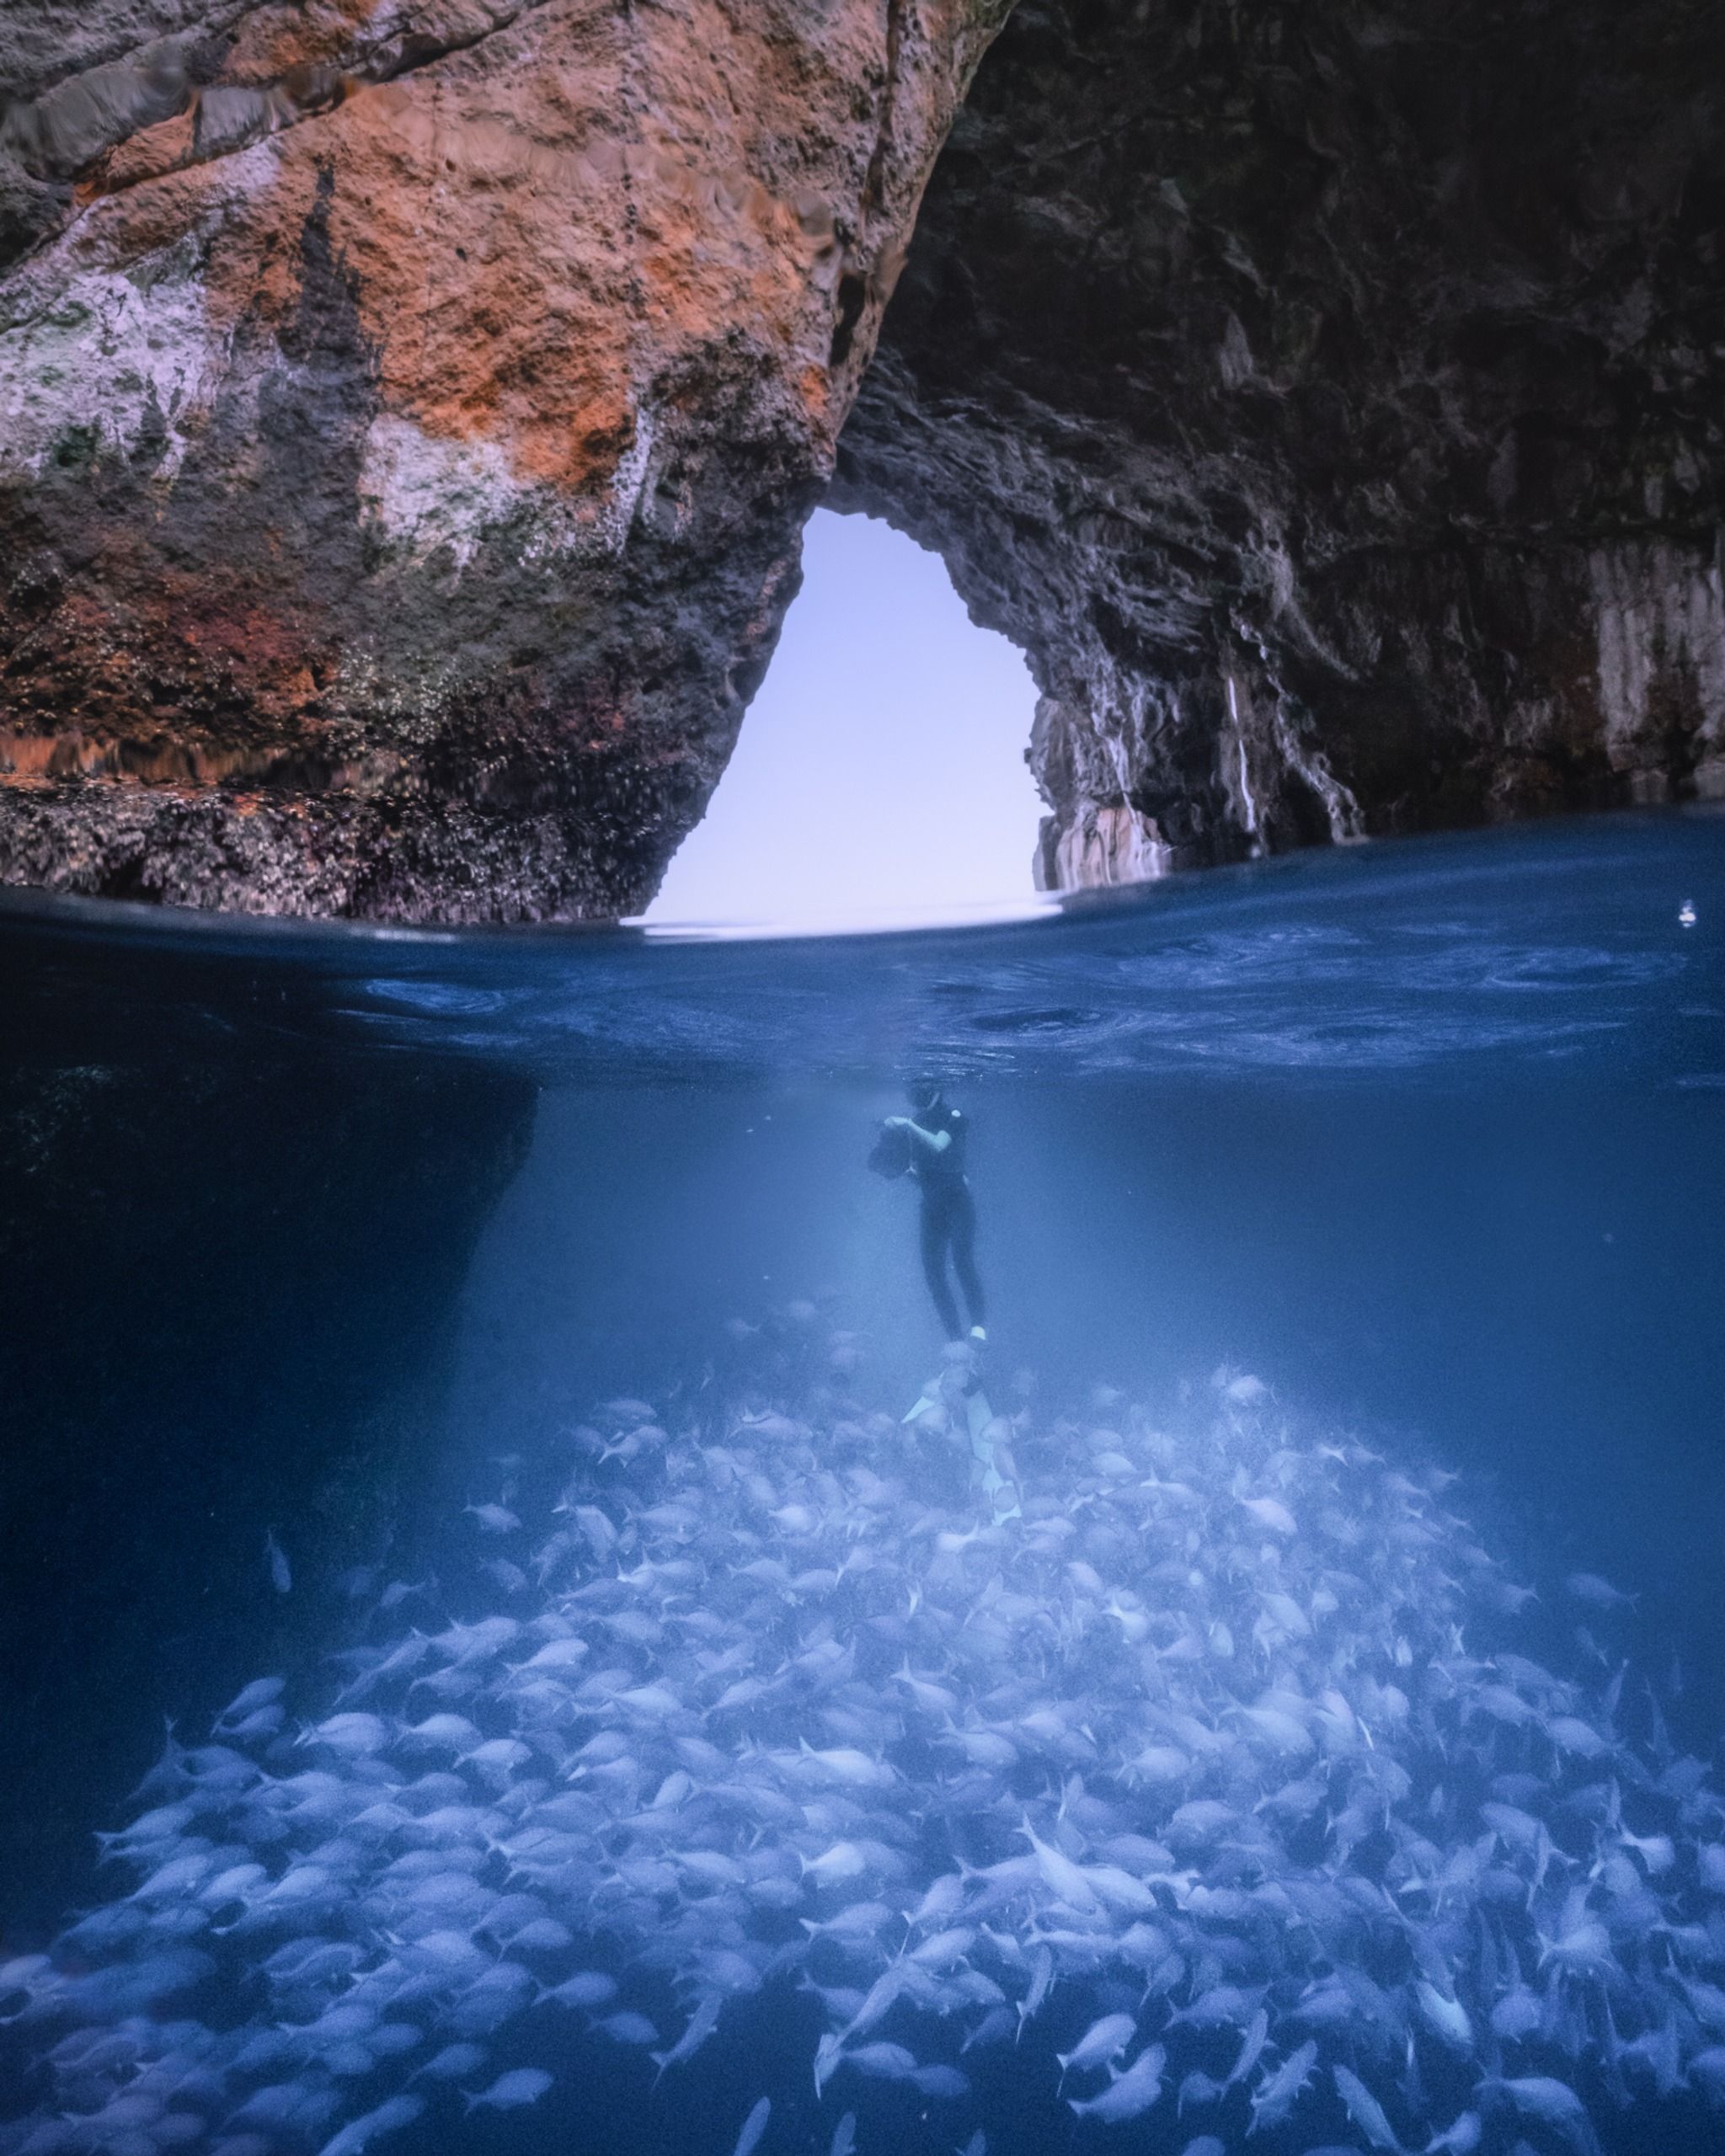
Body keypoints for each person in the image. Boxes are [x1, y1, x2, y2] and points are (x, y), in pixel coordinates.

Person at [882, 1081, 987, 1346]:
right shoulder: (916, 1122)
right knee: (933, 1273)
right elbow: (919, 1173)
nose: (915, 1095)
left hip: (958, 1204)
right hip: (932, 1206)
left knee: (962, 1262)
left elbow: (939, 1144)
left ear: (937, 1091)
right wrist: (899, 1167)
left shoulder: (956, 1118)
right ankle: (955, 1338)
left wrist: (907, 1125)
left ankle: (978, 1327)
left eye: (922, 1088)